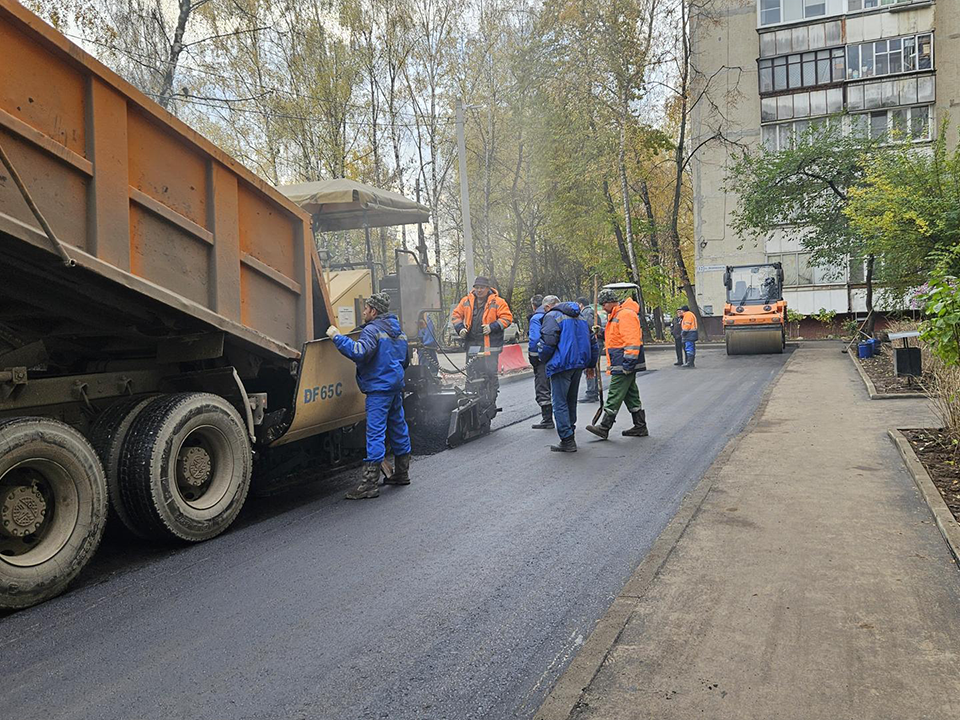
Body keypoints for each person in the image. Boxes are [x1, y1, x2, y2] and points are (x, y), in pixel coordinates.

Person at [327, 292, 411, 499]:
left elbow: (358, 352)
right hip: (394, 388)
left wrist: (337, 337)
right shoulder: (399, 333)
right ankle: (401, 473)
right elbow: (405, 361)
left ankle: (369, 484)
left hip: (378, 390)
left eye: (366, 308)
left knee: (375, 433)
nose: (363, 312)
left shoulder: (372, 331)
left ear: (374, 311)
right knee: (399, 428)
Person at [586, 289, 649, 440]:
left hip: (624, 362)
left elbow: (631, 341)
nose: (602, 308)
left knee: (614, 393)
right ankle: (640, 426)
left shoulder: (625, 314)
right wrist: (600, 332)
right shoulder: (616, 315)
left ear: (610, 302)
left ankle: (604, 427)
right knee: (630, 394)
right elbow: (616, 336)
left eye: (603, 305)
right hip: (621, 361)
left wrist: (628, 364)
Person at [539, 296, 599, 453]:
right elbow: (593, 342)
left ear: (548, 307)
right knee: (571, 401)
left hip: (561, 364)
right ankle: (570, 432)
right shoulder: (580, 317)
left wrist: (543, 359)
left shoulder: (552, 316)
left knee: (559, 402)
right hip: (578, 364)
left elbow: (548, 342)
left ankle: (567, 439)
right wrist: (591, 364)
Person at [528, 294, 554, 429]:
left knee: (542, 386)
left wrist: (534, 358)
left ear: (534, 306)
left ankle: (547, 419)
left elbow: (534, 341)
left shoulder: (536, 318)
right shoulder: (555, 315)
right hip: (556, 356)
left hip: (542, 357)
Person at [577, 297, 600, 403]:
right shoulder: (590, 312)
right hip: (593, 343)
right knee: (592, 368)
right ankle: (593, 392)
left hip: (591, 344)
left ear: (580, 304)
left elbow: (588, 327)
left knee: (590, 368)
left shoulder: (586, 313)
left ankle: (591, 393)